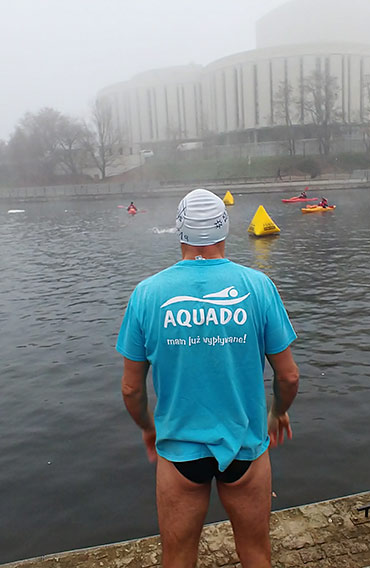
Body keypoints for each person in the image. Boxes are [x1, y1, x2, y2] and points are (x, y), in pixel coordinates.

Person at [116, 188, 299, 568]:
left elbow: (132, 388)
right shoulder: (257, 286)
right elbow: (289, 376)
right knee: (255, 553)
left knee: (178, 558)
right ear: (225, 229)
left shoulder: (147, 294)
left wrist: (148, 428)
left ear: (180, 231)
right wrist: (278, 411)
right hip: (245, 447)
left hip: (180, 451)